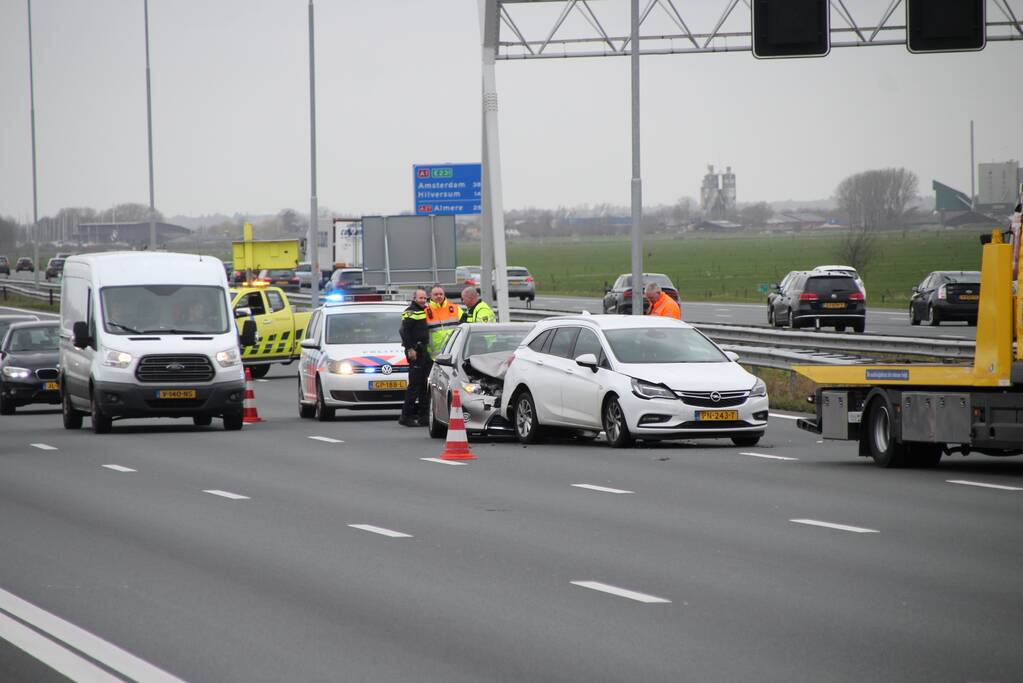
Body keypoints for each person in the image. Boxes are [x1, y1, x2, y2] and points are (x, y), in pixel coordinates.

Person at [399, 288, 430, 427]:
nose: (423, 300)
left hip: (423, 351)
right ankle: (406, 417)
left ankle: (424, 416)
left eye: (425, 298)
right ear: (414, 298)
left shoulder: (425, 310)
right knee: (415, 385)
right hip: (415, 351)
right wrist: (410, 348)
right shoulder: (411, 311)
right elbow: (404, 331)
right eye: (421, 298)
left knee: (425, 385)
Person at [425, 284, 463, 360]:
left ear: (444, 295)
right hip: (434, 356)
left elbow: (465, 326)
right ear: (430, 296)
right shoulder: (425, 311)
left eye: (441, 294)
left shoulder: (455, 308)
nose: (439, 296)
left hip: (454, 352)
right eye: (436, 294)